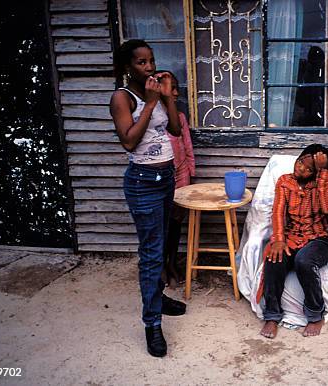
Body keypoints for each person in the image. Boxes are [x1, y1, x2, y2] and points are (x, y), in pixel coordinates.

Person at [110, 39, 185, 357]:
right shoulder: (121, 97)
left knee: (164, 240)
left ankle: (159, 298)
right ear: (128, 67)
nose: (150, 67)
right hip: (143, 182)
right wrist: (152, 103)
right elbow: (128, 142)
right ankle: (152, 324)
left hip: (166, 177)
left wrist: (166, 98)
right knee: (152, 254)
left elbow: (176, 130)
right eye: (142, 62)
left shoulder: (154, 91)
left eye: (151, 60)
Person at [258, 144, 328, 339]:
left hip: (321, 238)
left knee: (304, 261)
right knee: (275, 258)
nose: (300, 169)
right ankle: (272, 315)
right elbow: (278, 212)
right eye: (300, 163)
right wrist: (279, 239)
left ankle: (315, 315)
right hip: (293, 235)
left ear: (315, 172)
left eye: (308, 169)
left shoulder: (322, 183)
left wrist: (324, 173)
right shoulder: (284, 182)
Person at [161, 71, 196, 286]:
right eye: (171, 88)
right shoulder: (150, 117)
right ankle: (161, 266)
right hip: (159, 177)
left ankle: (172, 263)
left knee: (175, 223)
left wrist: (190, 173)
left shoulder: (180, 117)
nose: (175, 93)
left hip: (181, 175)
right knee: (160, 224)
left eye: (176, 88)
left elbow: (187, 146)